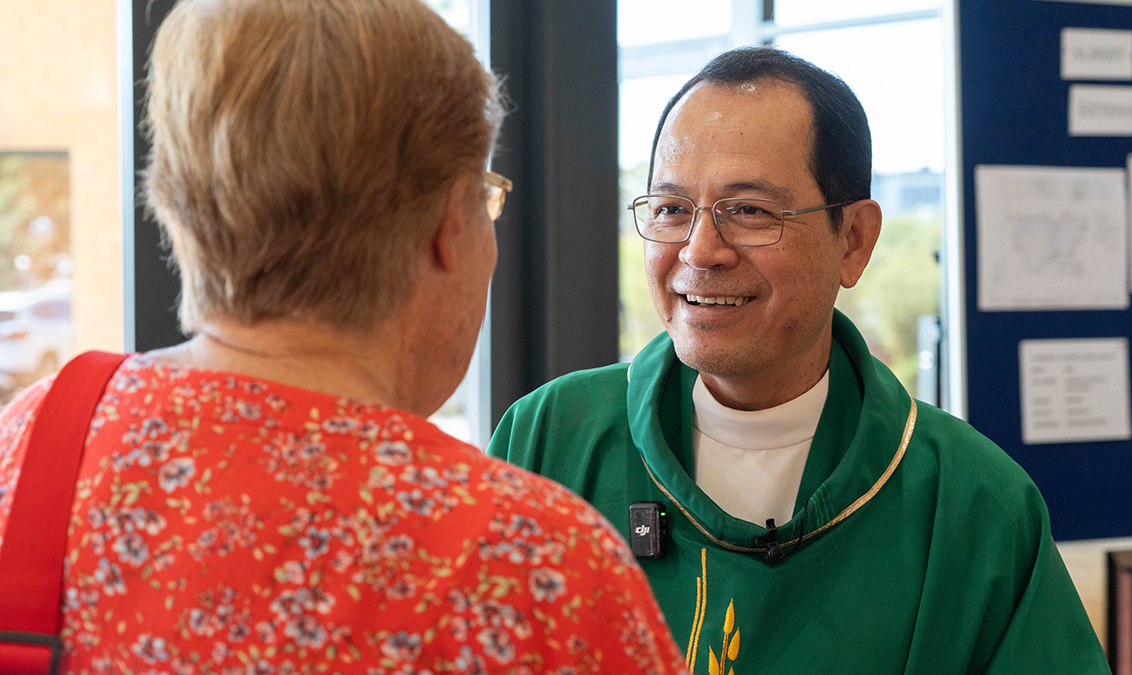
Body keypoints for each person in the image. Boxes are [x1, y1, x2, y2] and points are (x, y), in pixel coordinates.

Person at [0, 1, 688, 673]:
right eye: (485, 197)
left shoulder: (34, 445)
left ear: (177, 202)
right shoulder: (536, 569)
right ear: (450, 224)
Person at [489, 47, 1110, 674]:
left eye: (750, 211)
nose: (701, 251)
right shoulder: (547, 442)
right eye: (673, 209)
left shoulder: (971, 504)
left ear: (854, 240)